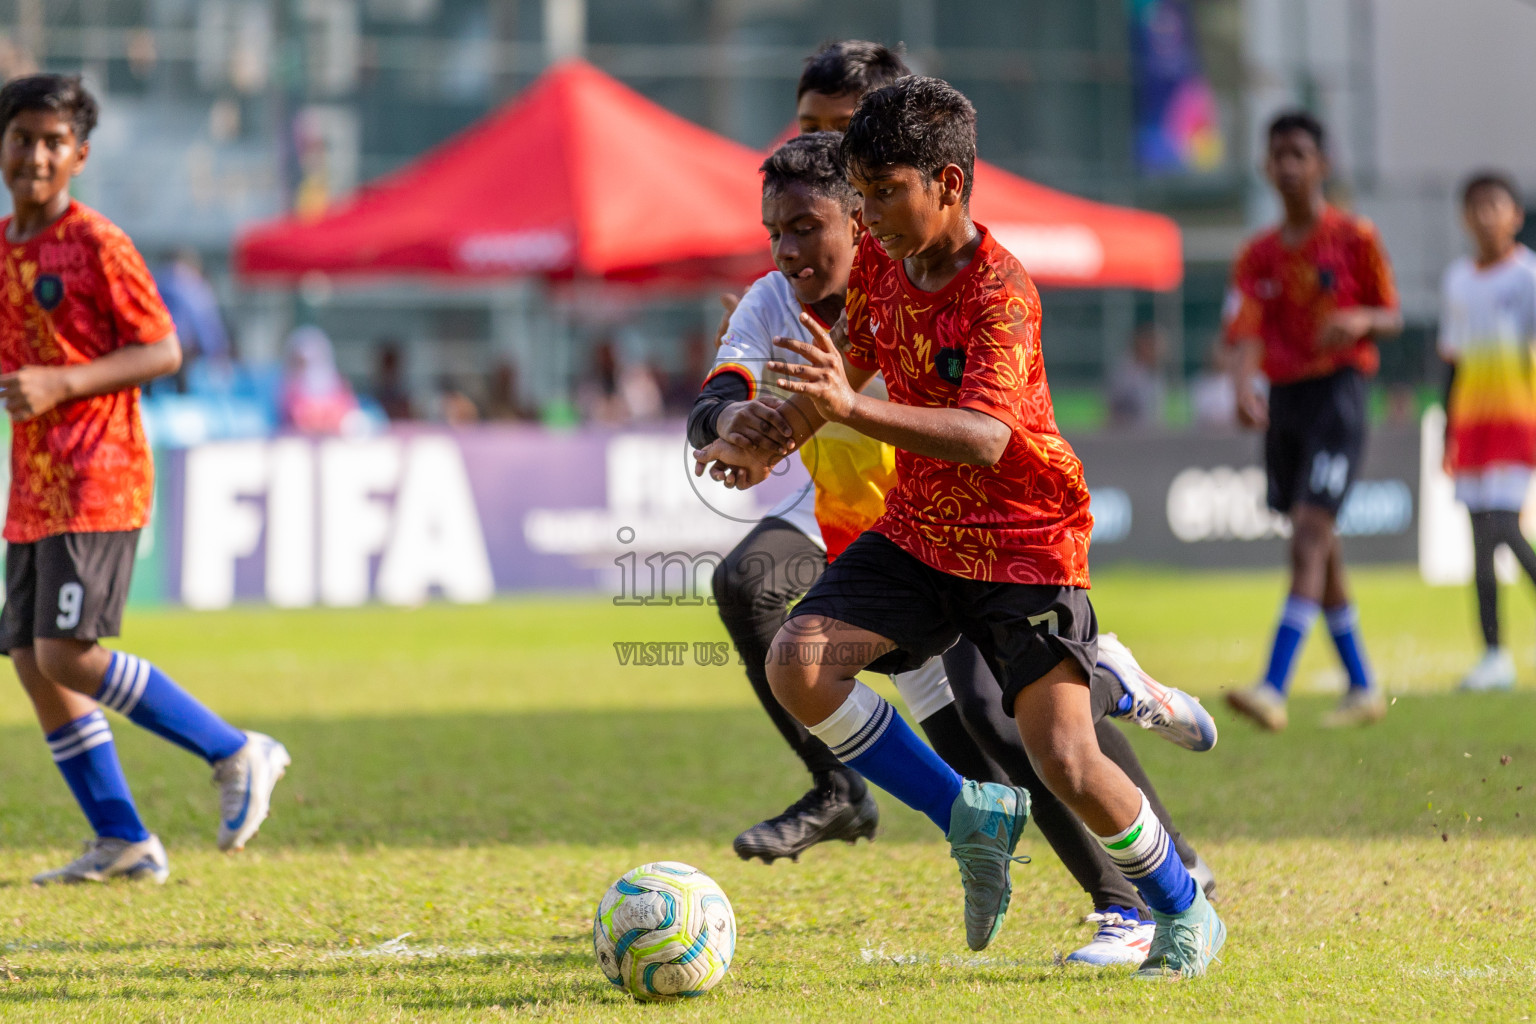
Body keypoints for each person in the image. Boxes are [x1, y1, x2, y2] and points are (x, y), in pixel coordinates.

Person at [698, 78, 1224, 978]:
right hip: (920, 534)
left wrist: (845, 412)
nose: (867, 213)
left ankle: (1180, 905)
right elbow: (853, 366)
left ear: (947, 182)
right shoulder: (878, 266)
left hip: (1026, 542)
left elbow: (985, 437)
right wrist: (771, 434)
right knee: (799, 663)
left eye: (882, 191)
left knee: (1059, 754)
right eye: (858, 194)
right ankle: (968, 813)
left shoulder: (1002, 292)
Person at [0, 74, 289, 885]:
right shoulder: (2, 249)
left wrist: (62, 383)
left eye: (54, 141)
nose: (36, 154)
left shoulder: (98, 244)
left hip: (100, 473)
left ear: (80, 156)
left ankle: (236, 749)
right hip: (32, 489)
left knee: (65, 653)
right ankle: (122, 840)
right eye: (22, 137)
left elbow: (163, 349)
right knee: (30, 658)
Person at [1222, 111, 1401, 732]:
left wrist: (1358, 322)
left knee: (1307, 538)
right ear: (1265, 169)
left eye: (1300, 152)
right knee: (1321, 546)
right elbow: (1243, 331)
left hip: (1339, 395)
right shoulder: (1257, 255)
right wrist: (1243, 387)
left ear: (1323, 164)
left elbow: (1391, 313)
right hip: (1288, 403)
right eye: (1279, 154)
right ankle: (1362, 684)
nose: (1289, 165)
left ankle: (1274, 686)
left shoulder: (1355, 237)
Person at [1439, 172, 1536, 691]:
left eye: (1494, 205)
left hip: (1518, 423)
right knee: (1480, 544)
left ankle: (1496, 653)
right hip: (1473, 431)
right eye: (1474, 206)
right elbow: (1451, 364)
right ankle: (1494, 657)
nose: (1484, 215)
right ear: (1464, 217)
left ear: (1515, 215)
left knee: (1503, 527)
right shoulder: (1458, 280)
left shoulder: (1527, 277)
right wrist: (1446, 434)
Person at [1107, 324, 1166, 427]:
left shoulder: (1155, 373)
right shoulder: (1125, 372)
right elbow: (1113, 408)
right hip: (1129, 434)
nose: (1159, 352)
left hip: (1150, 433)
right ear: (1143, 345)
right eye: (1154, 346)